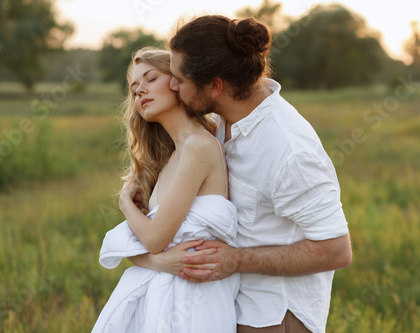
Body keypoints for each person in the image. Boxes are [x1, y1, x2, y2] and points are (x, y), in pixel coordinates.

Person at [128, 15, 353, 333]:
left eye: (179, 79)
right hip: (224, 304)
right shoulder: (219, 123)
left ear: (215, 86)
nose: (173, 86)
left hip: (273, 316)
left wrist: (236, 260)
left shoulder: (288, 150)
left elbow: (336, 250)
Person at [92, 47, 240, 333]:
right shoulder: (171, 156)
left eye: (150, 79)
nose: (140, 92)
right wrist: (159, 262)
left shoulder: (200, 145)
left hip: (195, 306)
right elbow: (143, 250)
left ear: (178, 82)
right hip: (164, 300)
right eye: (134, 89)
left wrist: (125, 203)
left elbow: (154, 239)